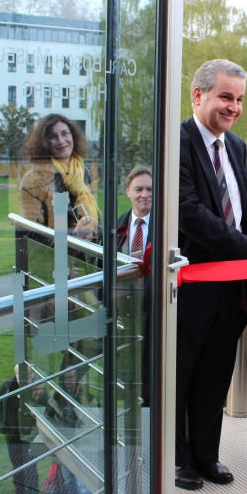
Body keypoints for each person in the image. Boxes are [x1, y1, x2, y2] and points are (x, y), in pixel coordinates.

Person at [175, 59, 247, 491]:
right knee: (182, 376)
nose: (234, 107)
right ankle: (179, 459)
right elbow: (189, 212)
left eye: (239, 99)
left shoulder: (237, 147)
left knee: (215, 377)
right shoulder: (177, 142)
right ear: (198, 95)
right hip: (193, 286)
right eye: (226, 97)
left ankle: (207, 456)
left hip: (235, 289)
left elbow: (239, 214)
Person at [19, 113, 101, 240]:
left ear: (72, 135)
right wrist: (76, 236)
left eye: (64, 133)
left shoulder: (83, 171)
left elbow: (98, 221)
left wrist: (92, 233)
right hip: (56, 258)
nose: (61, 140)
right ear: (44, 143)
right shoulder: (33, 180)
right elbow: (32, 235)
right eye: (53, 136)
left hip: (88, 256)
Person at [117, 164, 152, 405]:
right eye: (138, 189)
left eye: (150, 189)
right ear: (128, 191)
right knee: (126, 367)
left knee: (150, 366)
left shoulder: (170, 226)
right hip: (124, 310)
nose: (145, 194)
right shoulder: (117, 225)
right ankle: (129, 403)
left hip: (154, 311)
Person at [46, 364, 96, 494]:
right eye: (66, 378)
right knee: (68, 480)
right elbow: (48, 417)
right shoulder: (57, 396)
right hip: (65, 445)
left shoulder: (86, 397)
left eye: (71, 377)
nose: (69, 381)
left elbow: (93, 421)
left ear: (76, 379)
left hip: (83, 446)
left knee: (83, 483)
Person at [0, 364, 46, 494]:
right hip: (13, 432)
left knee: (31, 466)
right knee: (16, 465)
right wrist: (1, 426)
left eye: (27, 377)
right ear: (15, 374)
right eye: (20, 376)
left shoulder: (37, 385)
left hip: (29, 433)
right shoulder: (7, 386)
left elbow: (45, 406)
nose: (23, 380)